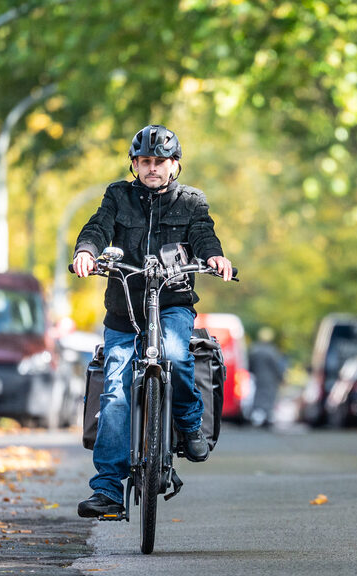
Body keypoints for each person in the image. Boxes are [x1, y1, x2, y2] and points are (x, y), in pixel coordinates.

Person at [70, 124, 234, 518]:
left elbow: (203, 234)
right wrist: (86, 250)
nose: (152, 168)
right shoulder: (117, 195)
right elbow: (98, 226)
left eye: (160, 161)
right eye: (145, 162)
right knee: (114, 393)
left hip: (172, 303)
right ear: (134, 165)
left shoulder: (192, 201)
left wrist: (214, 256)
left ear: (174, 165)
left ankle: (190, 423)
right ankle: (108, 491)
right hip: (125, 309)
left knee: (177, 356)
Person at [247, 327, 287, 427]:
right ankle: (268, 418)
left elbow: (250, 365)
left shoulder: (254, 349)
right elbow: (277, 366)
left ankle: (257, 417)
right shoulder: (272, 351)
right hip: (271, 379)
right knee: (269, 397)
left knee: (259, 396)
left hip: (258, 377)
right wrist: (281, 377)